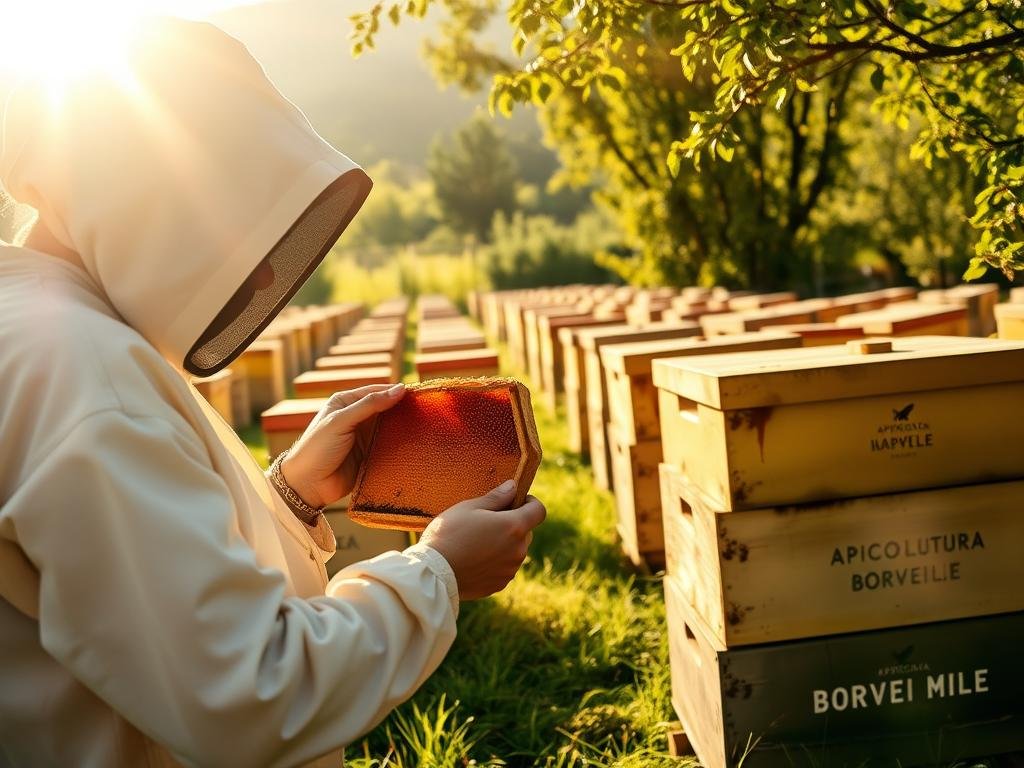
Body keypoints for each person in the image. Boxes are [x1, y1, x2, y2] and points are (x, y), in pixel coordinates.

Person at [0, 17, 545, 767]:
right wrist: (440, 574)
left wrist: (287, 494)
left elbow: (132, 586)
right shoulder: (83, 376)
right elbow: (252, 694)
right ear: (156, 203)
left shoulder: (43, 328)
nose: (263, 277)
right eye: (236, 227)